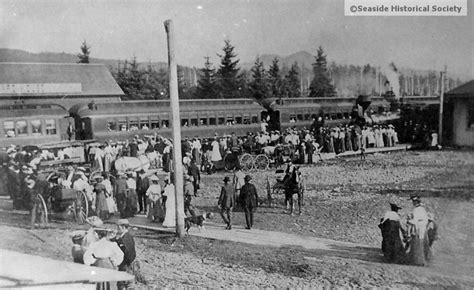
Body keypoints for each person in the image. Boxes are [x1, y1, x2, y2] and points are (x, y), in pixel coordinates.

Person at [114, 219, 136, 289]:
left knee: (124, 284)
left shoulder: (126, 238)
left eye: (118, 227)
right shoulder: (126, 236)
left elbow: (128, 253)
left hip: (126, 264)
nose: (117, 229)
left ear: (123, 227)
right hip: (126, 264)